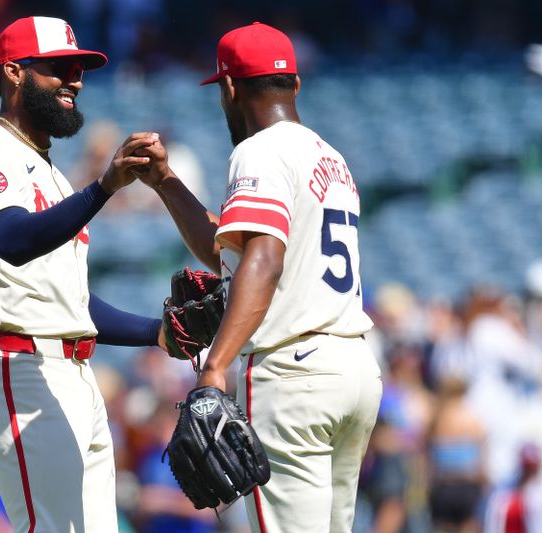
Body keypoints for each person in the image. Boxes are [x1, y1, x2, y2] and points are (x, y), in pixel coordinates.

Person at [138, 22, 382, 533]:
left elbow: (264, 260)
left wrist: (214, 368)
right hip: (353, 367)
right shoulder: (330, 157)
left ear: (229, 88)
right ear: (295, 84)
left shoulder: (260, 150)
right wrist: (166, 182)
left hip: (294, 375)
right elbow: (239, 250)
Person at [0, 16, 165, 532]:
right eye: (59, 68)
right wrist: (104, 188)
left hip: (70, 372)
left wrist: (155, 332)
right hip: (17, 367)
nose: (76, 80)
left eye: (79, 69)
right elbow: (13, 241)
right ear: (14, 73)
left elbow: (70, 300)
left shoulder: (54, 177)